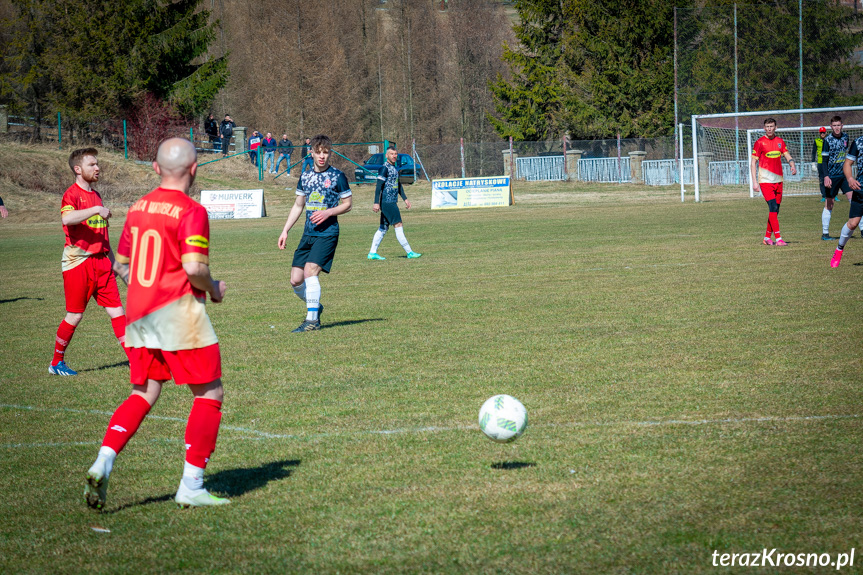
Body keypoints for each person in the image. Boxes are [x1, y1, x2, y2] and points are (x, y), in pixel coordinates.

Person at [84, 138, 230, 510]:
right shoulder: (191, 210)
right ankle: (191, 485)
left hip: (139, 312)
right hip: (177, 312)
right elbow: (194, 268)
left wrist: (145, 291)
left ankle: (104, 459)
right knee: (209, 395)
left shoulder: (138, 207)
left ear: (155, 169)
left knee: (143, 393)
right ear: (194, 169)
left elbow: (122, 265)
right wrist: (214, 288)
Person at [50, 148, 131, 376]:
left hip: (102, 262)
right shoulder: (72, 194)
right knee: (75, 315)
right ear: (78, 169)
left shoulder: (96, 196)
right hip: (79, 262)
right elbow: (67, 218)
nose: (97, 168)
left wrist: (116, 264)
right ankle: (56, 363)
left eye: (97, 164)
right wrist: (95, 209)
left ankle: (136, 360)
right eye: (91, 164)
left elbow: (101, 233)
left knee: (117, 311)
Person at [277, 134, 353, 332]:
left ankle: (312, 321)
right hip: (308, 233)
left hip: (328, 233)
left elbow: (348, 204)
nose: (322, 156)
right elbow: (298, 205)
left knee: (310, 270)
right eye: (318, 152)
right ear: (311, 152)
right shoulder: (305, 176)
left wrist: (329, 212)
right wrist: (285, 230)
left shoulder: (338, 176)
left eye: (326, 152)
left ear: (330, 154)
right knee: (295, 279)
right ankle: (315, 306)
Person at [368, 147, 422, 260]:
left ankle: (372, 253)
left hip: (391, 201)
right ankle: (410, 252)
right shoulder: (384, 169)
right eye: (392, 154)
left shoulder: (394, 168)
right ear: (387, 156)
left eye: (396, 154)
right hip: (388, 202)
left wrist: (405, 199)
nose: (394, 156)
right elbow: (379, 186)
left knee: (383, 228)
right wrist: (376, 203)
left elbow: (398, 185)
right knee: (398, 225)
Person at [750, 118, 797, 246]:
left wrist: (792, 165)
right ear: (764, 128)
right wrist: (754, 182)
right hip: (765, 181)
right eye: (767, 126)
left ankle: (766, 237)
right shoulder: (759, 142)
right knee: (773, 207)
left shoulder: (780, 142)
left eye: (771, 126)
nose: (769, 129)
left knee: (775, 210)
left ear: (776, 127)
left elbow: (787, 155)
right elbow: (753, 162)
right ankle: (779, 238)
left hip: (778, 180)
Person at [829, 134, 863, 267]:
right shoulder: (859, 142)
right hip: (861, 189)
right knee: (853, 223)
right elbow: (847, 164)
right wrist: (849, 179)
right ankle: (839, 249)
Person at [819, 116, 850, 241]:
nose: (837, 128)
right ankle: (825, 234)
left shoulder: (846, 137)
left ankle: (862, 229)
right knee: (829, 204)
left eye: (838, 125)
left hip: (844, 176)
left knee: (854, 199)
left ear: (842, 125)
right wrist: (826, 176)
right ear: (831, 127)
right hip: (831, 176)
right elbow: (824, 161)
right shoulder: (827, 141)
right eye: (834, 125)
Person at [812, 127, 827, 202]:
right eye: (821, 133)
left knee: (831, 179)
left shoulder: (829, 140)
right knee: (821, 179)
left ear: (826, 133)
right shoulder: (816, 141)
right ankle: (824, 196)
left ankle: (834, 195)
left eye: (823, 132)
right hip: (820, 163)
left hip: (828, 163)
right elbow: (813, 152)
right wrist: (813, 163)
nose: (822, 134)